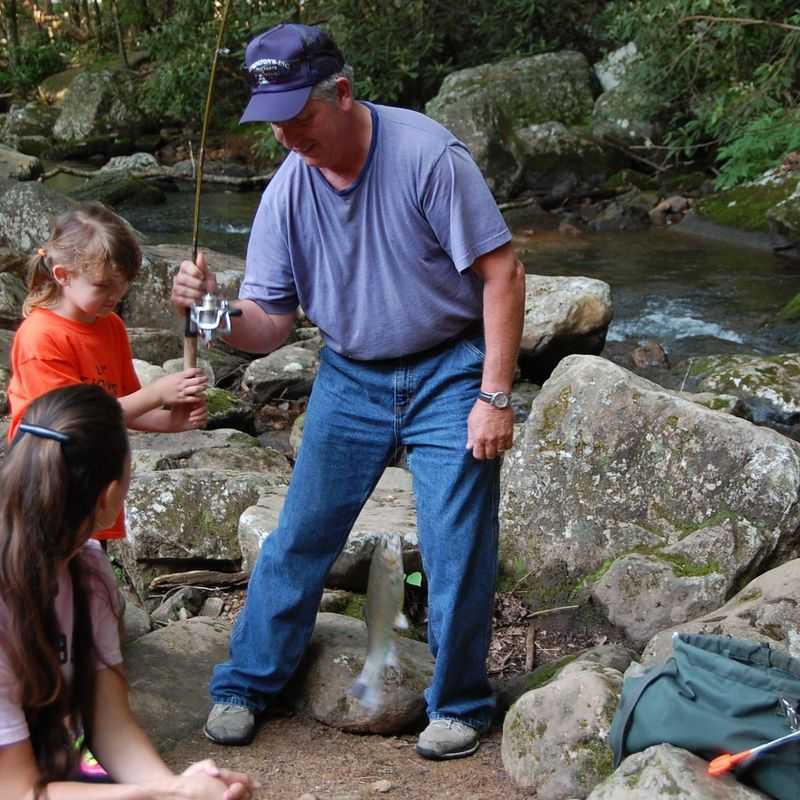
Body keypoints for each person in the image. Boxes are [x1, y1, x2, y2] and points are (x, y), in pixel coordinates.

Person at [171, 22, 526, 760]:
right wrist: (208, 311)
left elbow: (503, 273)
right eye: (273, 122)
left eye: (299, 115)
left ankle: (459, 704)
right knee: (300, 535)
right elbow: (268, 325)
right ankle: (245, 685)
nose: (287, 135)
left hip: (449, 367)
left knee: (455, 544)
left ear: (342, 91)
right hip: (351, 374)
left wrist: (495, 394)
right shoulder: (285, 195)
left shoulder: (428, 155)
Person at [0, 383, 258, 799]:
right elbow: (14, 791)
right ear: (107, 498)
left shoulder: (86, 570)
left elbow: (110, 723)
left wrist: (176, 787)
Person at [8, 202, 209, 540]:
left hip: (95, 480)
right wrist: (158, 392)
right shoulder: (40, 337)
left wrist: (168, 421)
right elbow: (68, 420)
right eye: (103, 286)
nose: (115, 296)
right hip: (47, 486)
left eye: (123, 284)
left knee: (89, 574)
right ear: (63, 275)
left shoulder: (111, 326)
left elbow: (122, 406)